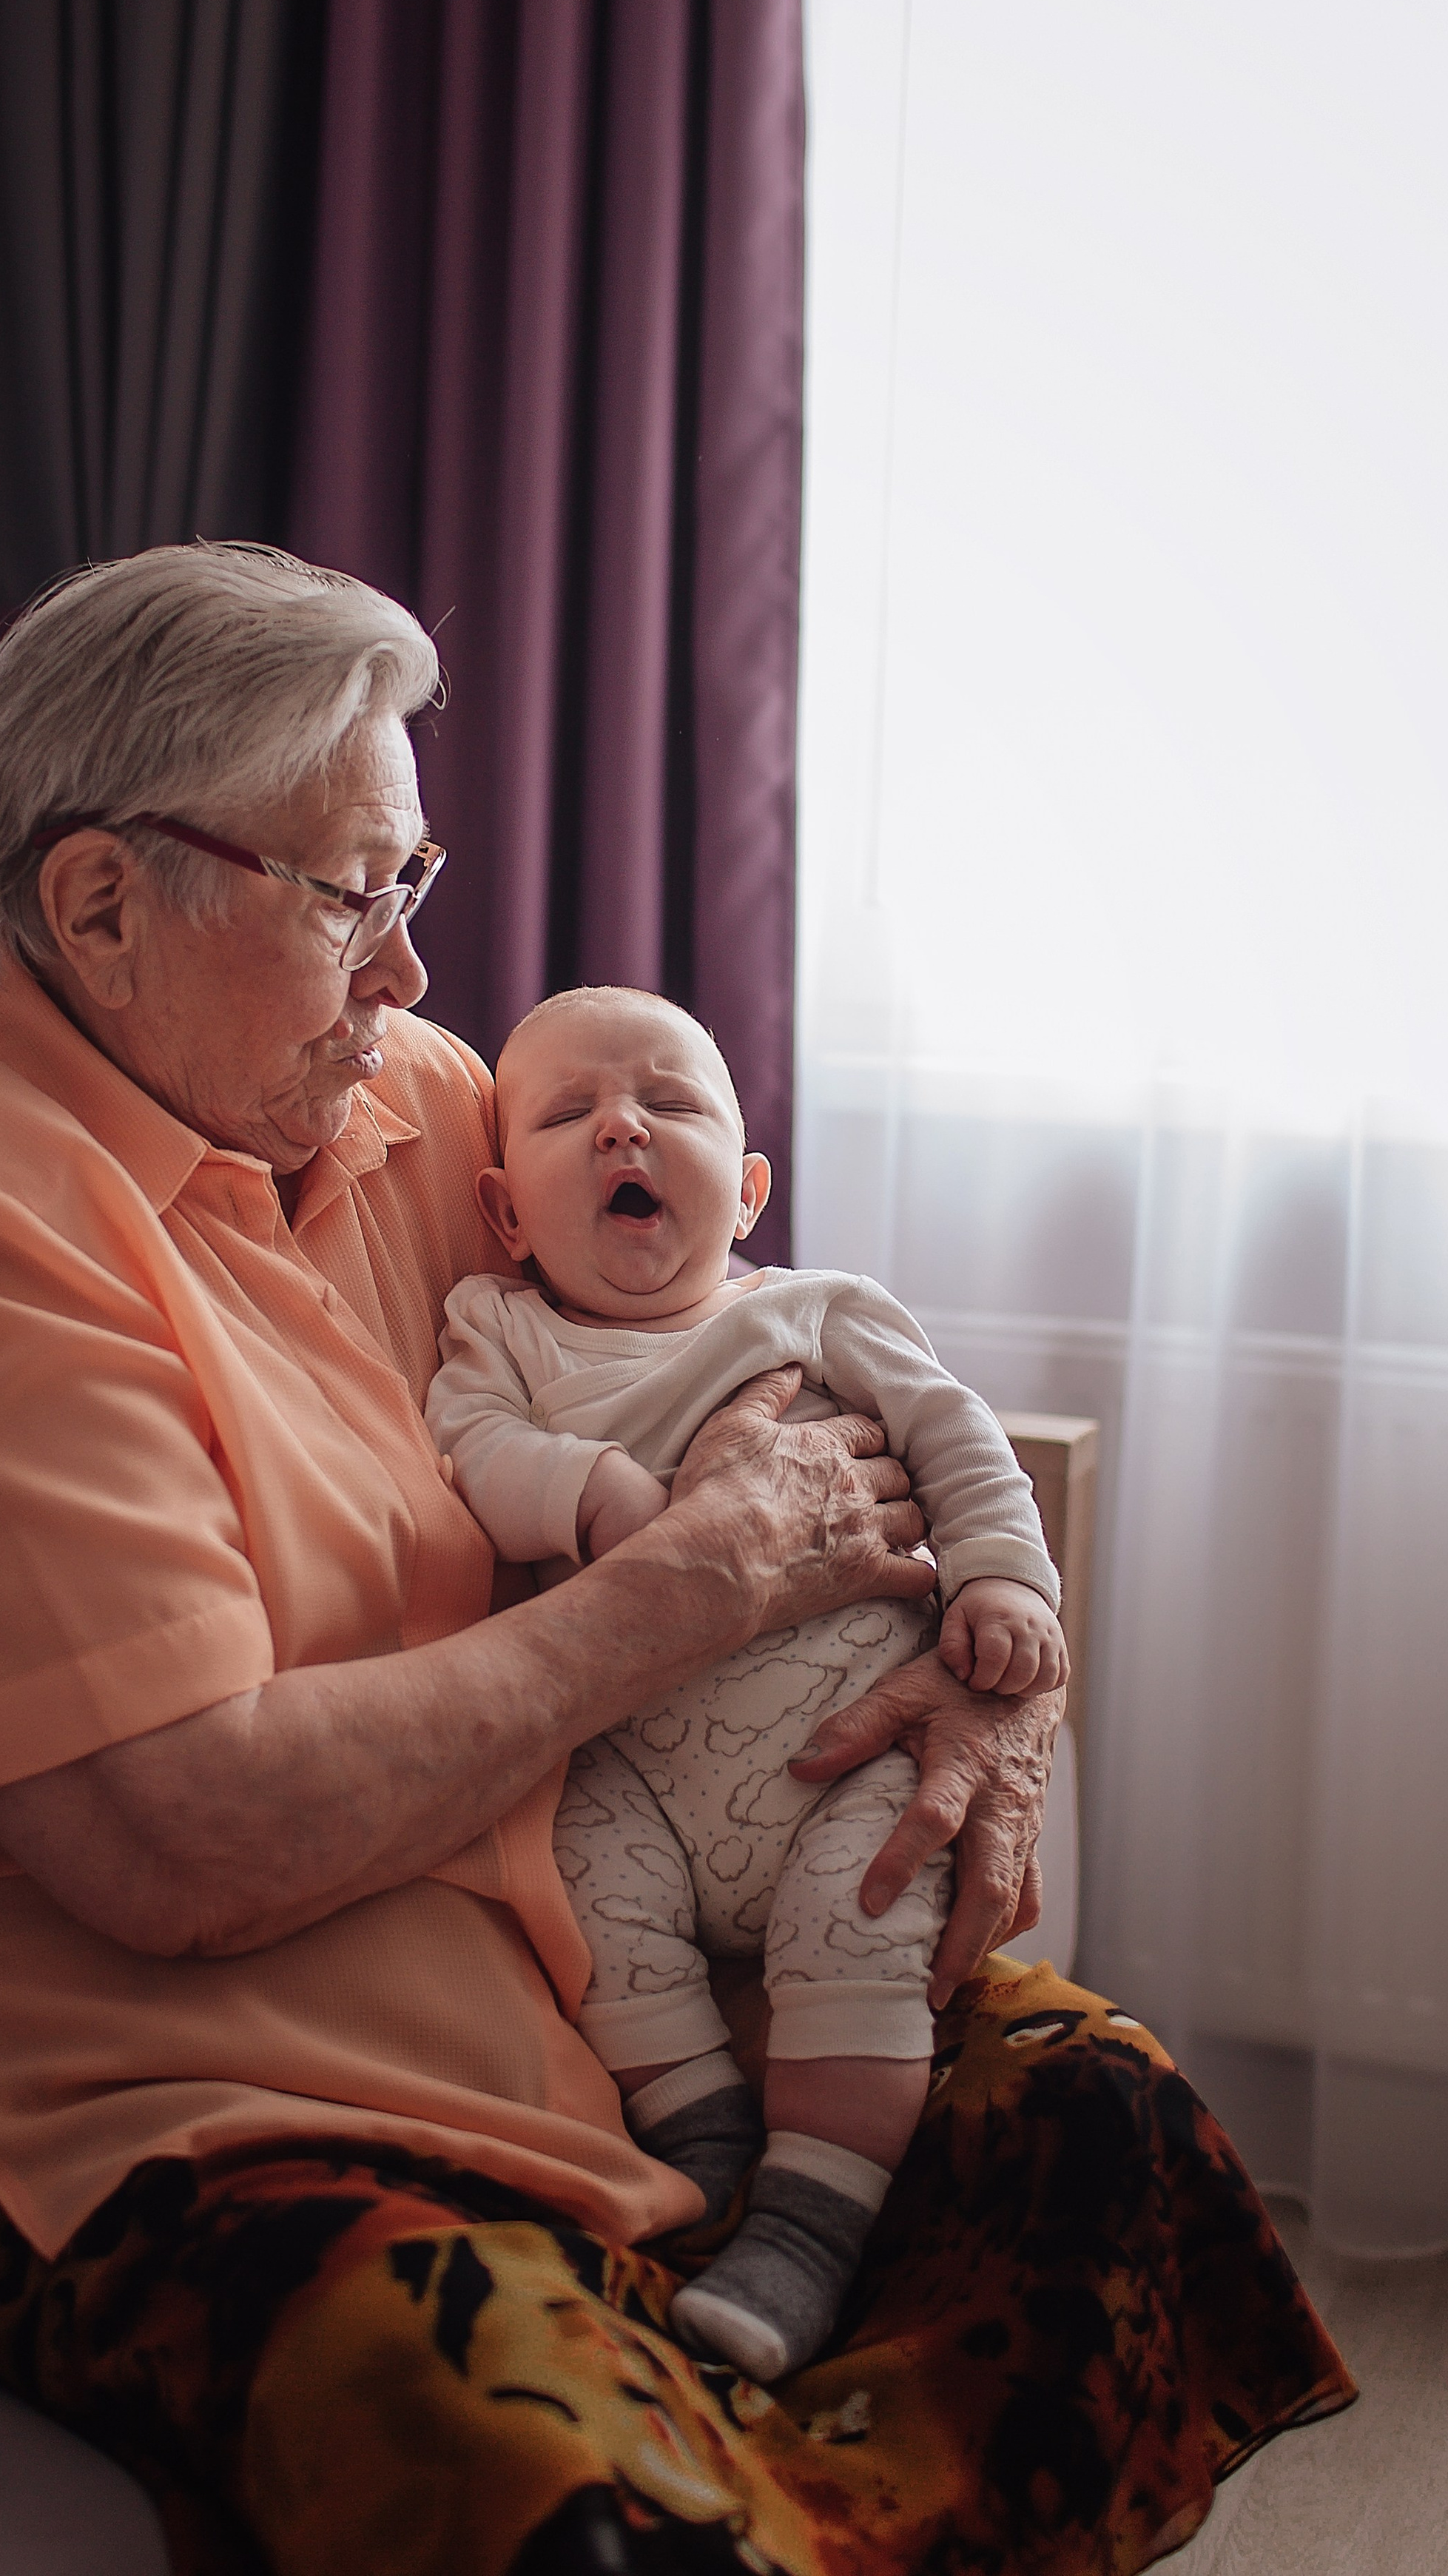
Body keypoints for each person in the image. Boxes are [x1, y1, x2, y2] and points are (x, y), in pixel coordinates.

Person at [0, 545, 1352, 2576]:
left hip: (511, 1912)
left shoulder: (414, 1110)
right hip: (25, 2038)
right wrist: (688, 1594)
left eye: (412, 887)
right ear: (105, 903)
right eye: (353, 894)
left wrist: (1013, 1676)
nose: (409, 973)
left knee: (1109, 2124)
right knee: (534, 2457)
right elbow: (171, 1842)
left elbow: (782, 1377)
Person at [425, 984, 1067, 2384]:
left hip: (845, 1752)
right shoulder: (502, 1329)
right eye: (567, 1114)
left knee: (872, 1905)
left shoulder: (819, 1314)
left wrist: (1011, 1582)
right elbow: (465, 1442)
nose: (620, 1130)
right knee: (576, 1866)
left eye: (668, 1104)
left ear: (750, 1185)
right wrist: (589, 1490)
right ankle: (703, 2137)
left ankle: (811, 2234)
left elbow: (961, 1442)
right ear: (506, 1208)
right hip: (630, 1764)